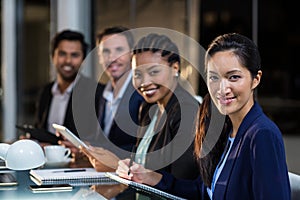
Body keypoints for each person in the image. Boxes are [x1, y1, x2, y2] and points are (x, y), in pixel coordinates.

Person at [116, 33, 291, 200]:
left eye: (234, 77)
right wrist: (151, 177)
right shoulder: (225, 130)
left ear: (256, 79)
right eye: (214, 78)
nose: (222, 89)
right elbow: (203, 192)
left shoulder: (261, 134)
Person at [80, 26, 144, 171]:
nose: (112, 58)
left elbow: (143, 149)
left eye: (119, 50)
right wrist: (84, 146)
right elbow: (106, 139)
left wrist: (97, 150)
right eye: (106, 51)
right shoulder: (103, 93)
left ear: (131, 54)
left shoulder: (142, 93)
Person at [33, 30, 103, 153]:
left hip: (79, 167)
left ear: (83, 59)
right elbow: (40, 130)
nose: (68, 61)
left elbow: (100, 139)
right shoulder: (45, 92)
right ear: (53, 56)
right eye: (62, 54)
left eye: (75, 55)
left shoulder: (97, 93)